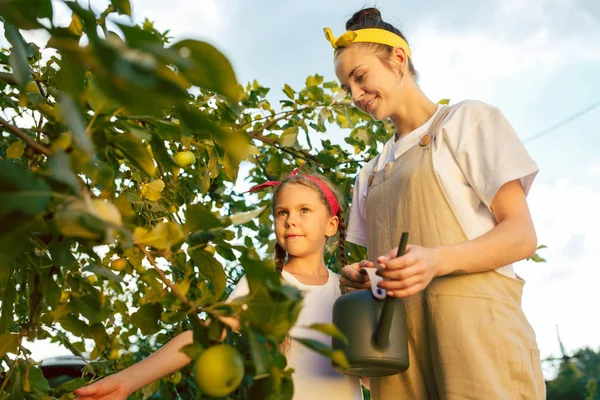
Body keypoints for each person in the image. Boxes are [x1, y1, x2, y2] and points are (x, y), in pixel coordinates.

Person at [325, 7, 546, 399]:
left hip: (477, 341)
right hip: (397, 359)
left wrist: (435, 261)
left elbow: (521, 236)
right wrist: (361, 276)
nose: (356, 95)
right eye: (347, 89)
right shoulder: (370, 174)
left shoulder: (466, 122)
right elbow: (386, 268)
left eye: (360, 78)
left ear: (398, 60)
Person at [74, 171, 362, 400]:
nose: (290, 221)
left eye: (304, 210)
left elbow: (373, 371)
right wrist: (126, 381)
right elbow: (202, 337)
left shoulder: (348, 291)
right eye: (282, 212)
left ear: (332, 225)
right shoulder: (265, 284)